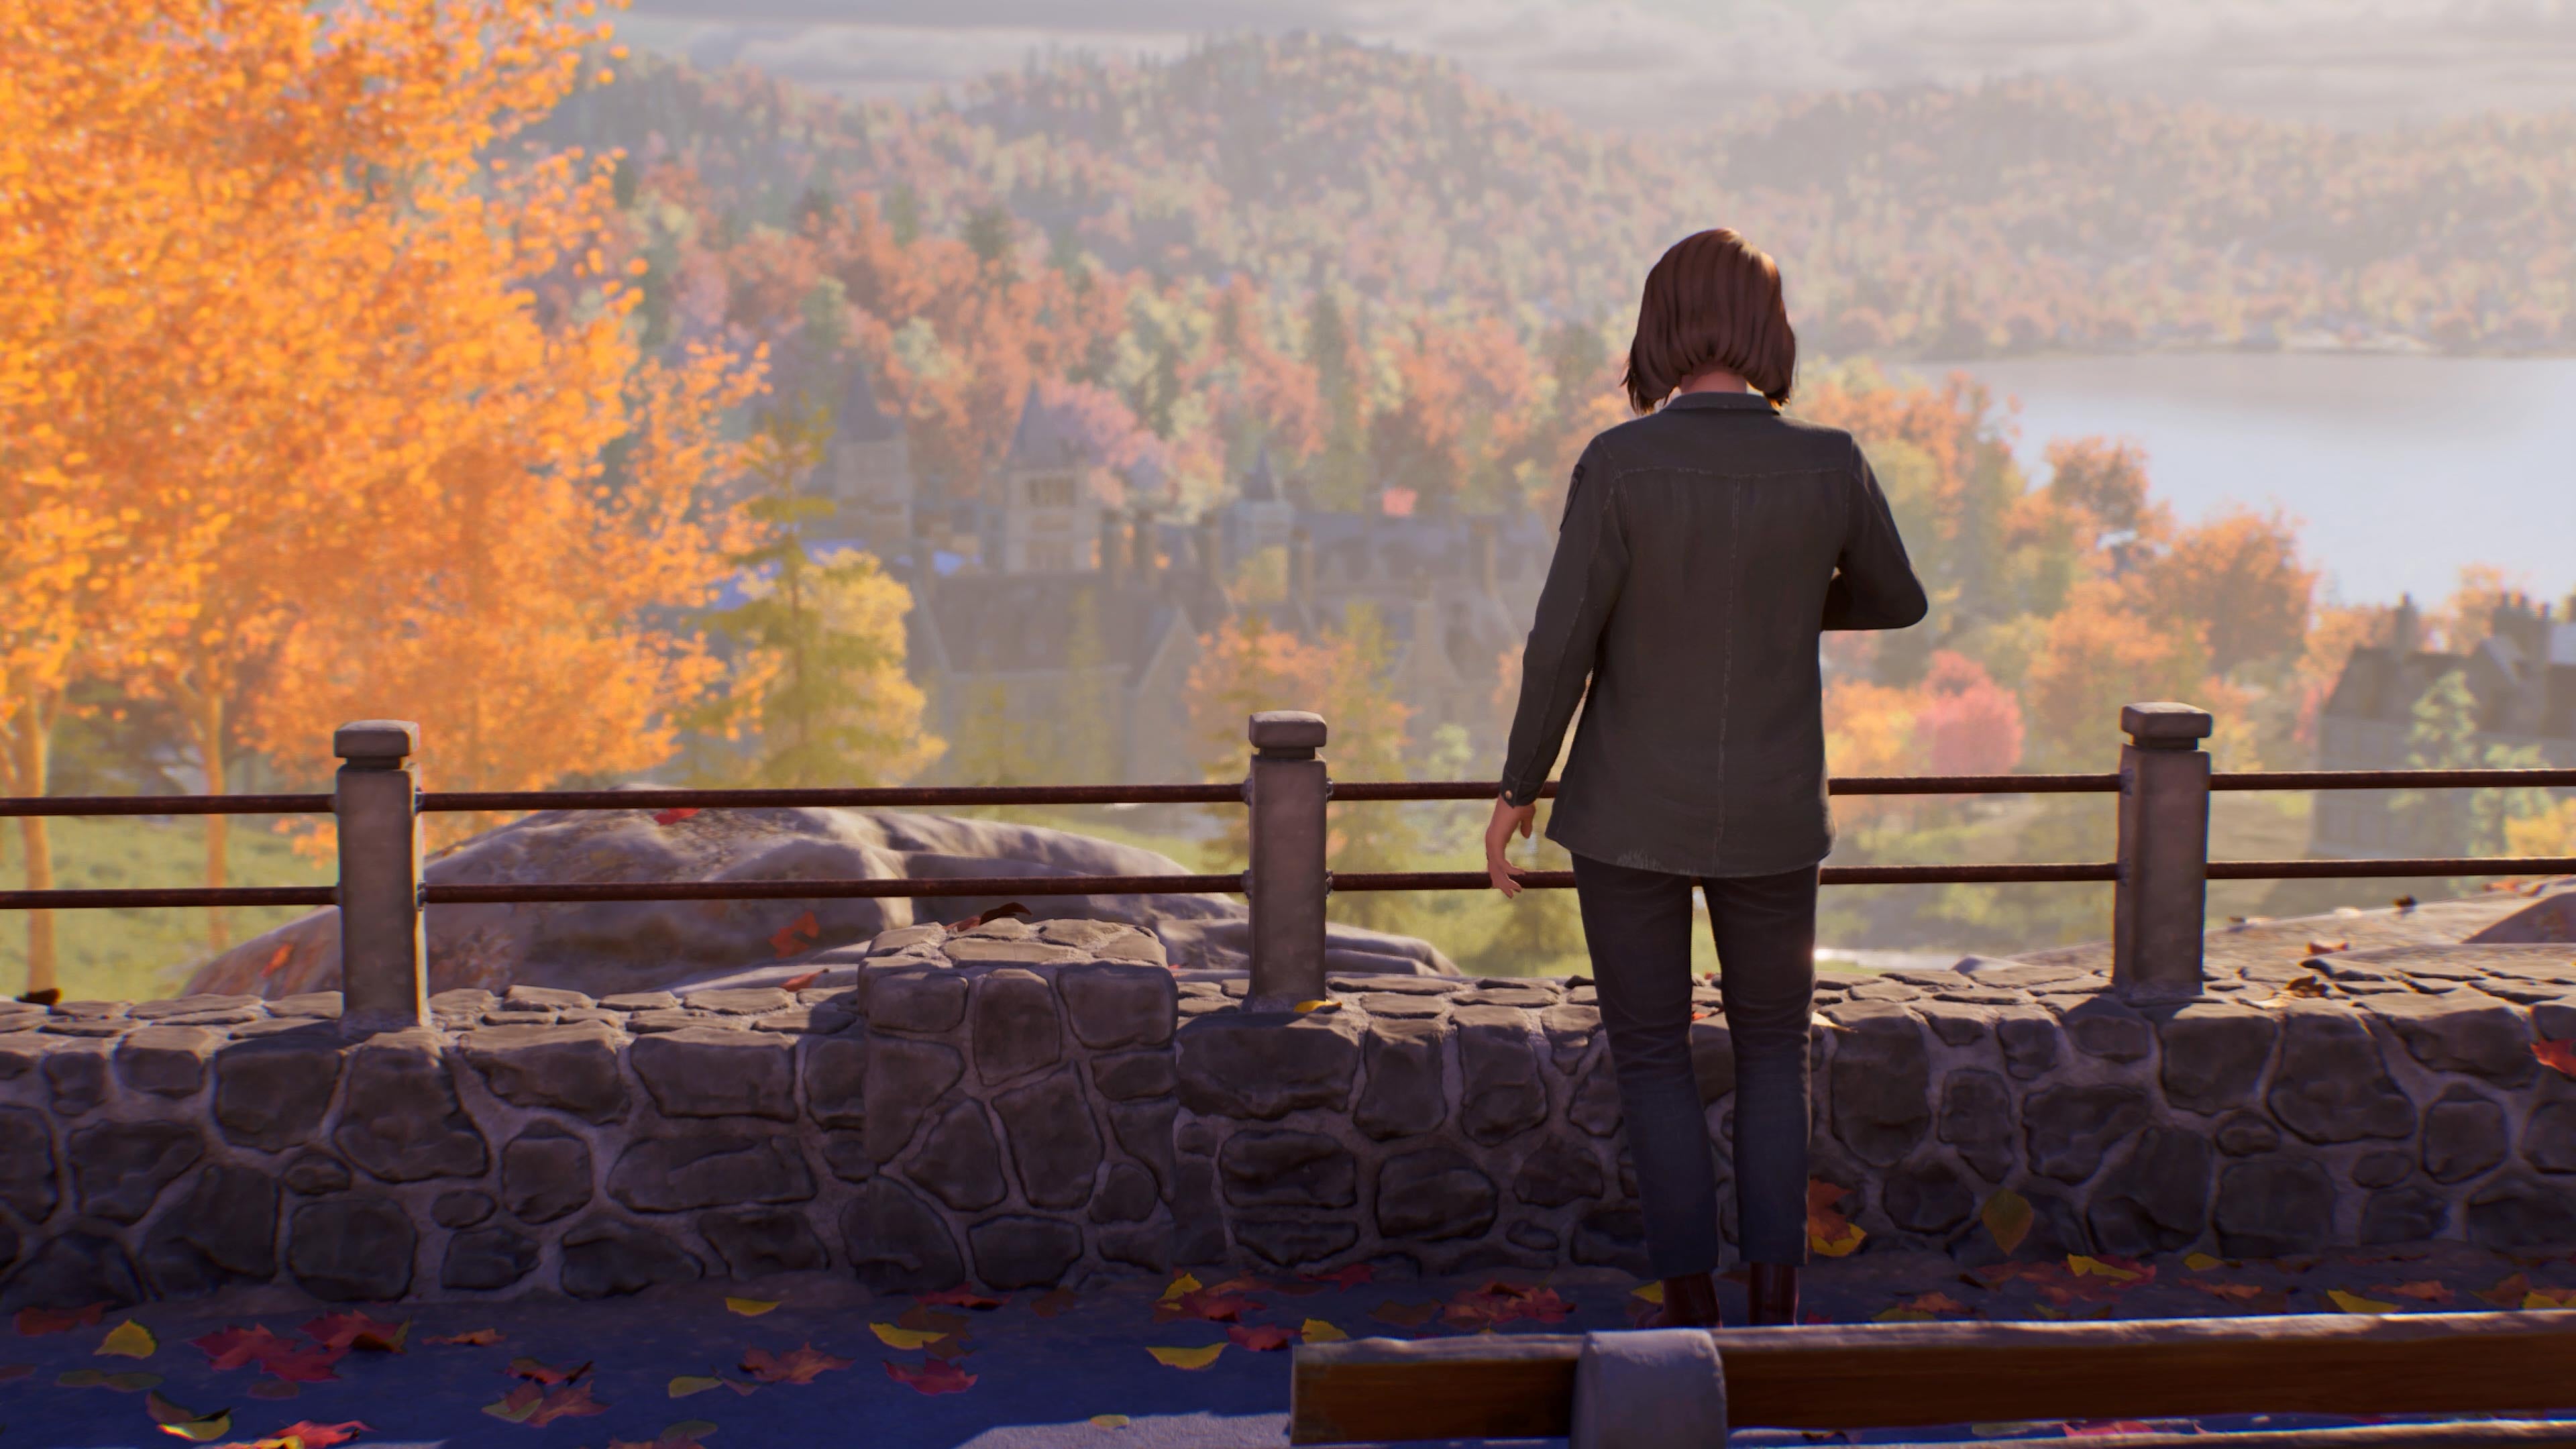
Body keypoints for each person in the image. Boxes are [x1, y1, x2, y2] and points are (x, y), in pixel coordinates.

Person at [1484, 228, 1927, 1328]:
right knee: (1777, 1055)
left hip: (1626, 812)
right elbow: (1897, 597)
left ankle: (1690, 1315)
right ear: (1771, 329)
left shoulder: (1621, 463)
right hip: (1777, 813)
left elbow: (1561, 642)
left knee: (1652, 1058)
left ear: (1662, 326)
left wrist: (1517, 788)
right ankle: (1774, 1316)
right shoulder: (1831, 461)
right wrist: (1779, 603)